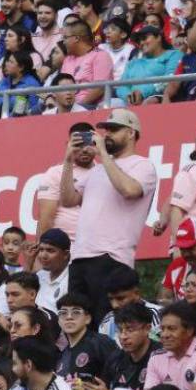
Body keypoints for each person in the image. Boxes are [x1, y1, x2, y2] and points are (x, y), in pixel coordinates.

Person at [61, 109, 157, 322]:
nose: (107, 135)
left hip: (111, 256)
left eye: (114, 129)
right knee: (78, 327)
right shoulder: (96, 170)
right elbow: (68, 200)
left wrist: (103, 154)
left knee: (106, 324)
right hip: (80, 256)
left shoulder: (143, 165)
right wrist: (68, 160)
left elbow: (129, 190)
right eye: (106, 130)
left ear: (131, 133)